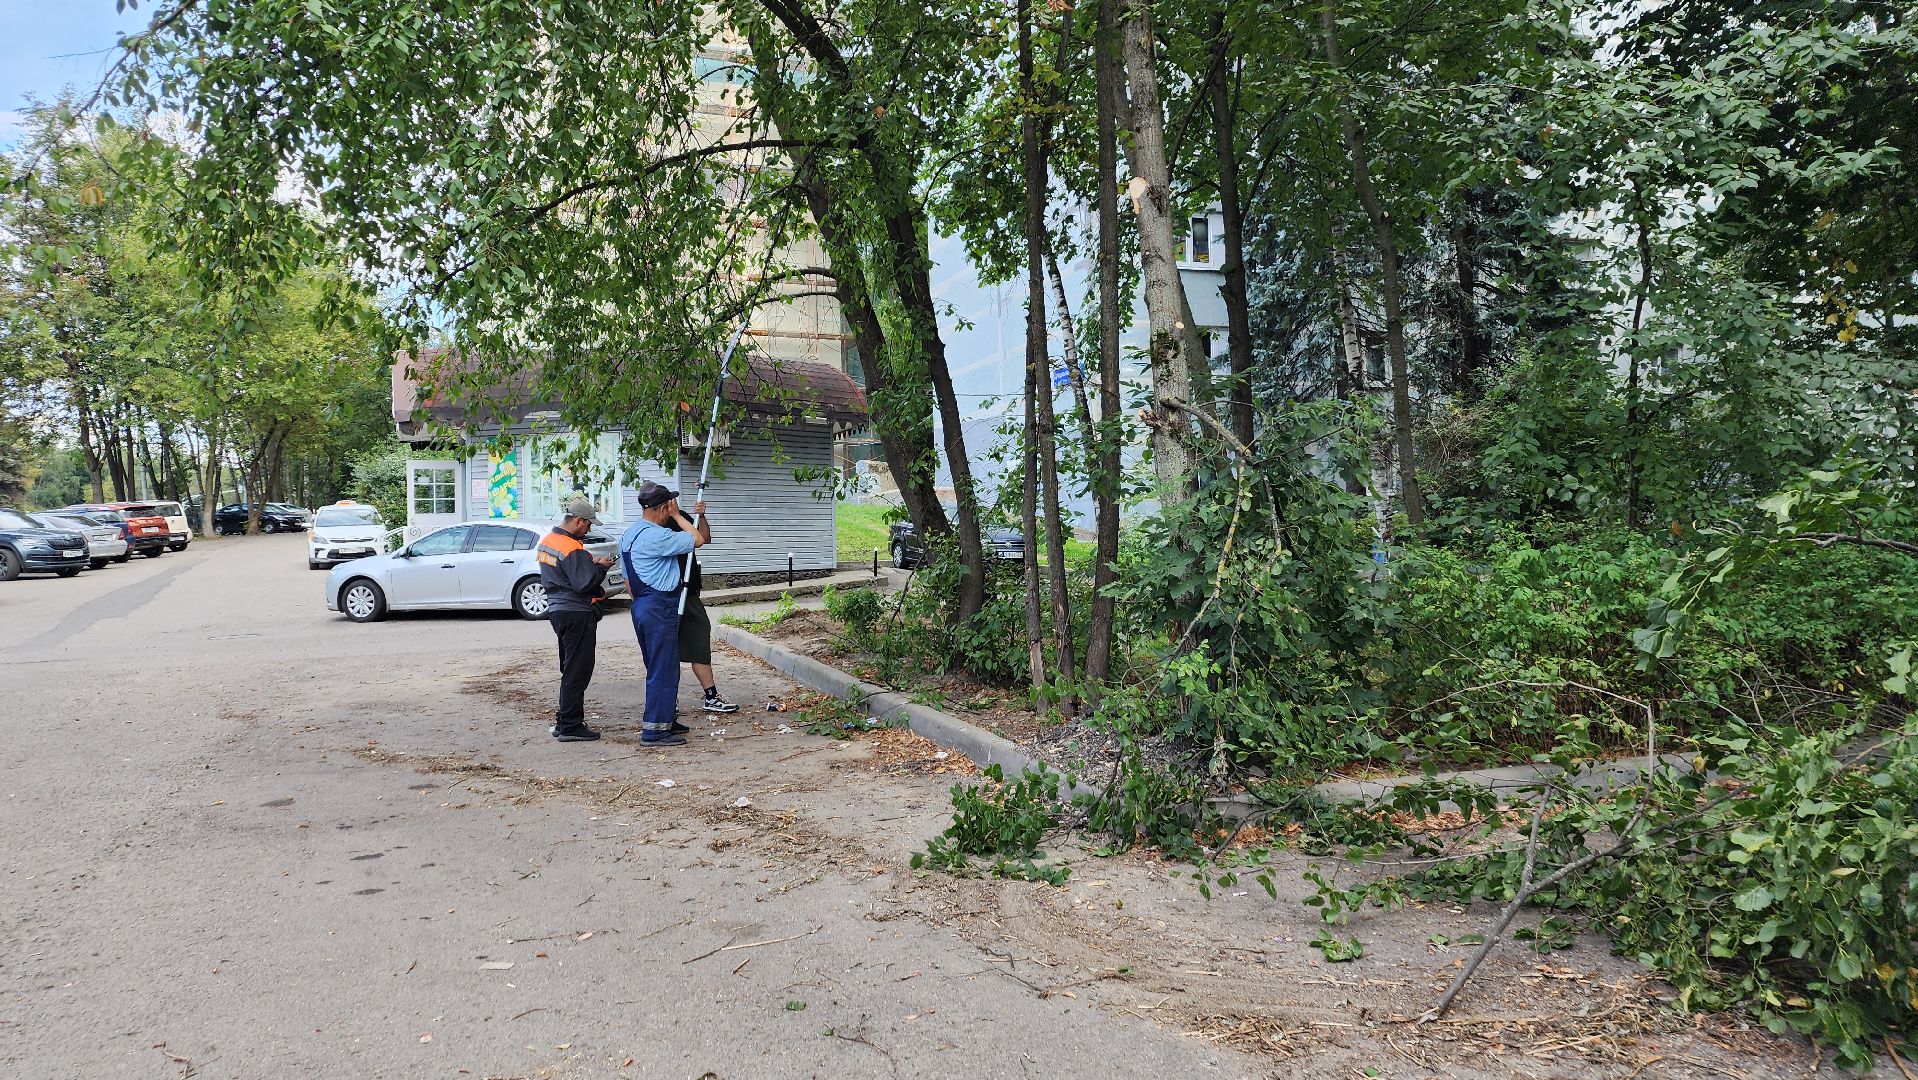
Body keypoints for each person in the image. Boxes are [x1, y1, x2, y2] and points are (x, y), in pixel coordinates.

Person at [618, 481, 709, 746]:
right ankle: (655, 730)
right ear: (662, 508)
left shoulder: (630, 534)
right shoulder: (658, 535)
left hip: (642, 604)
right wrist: (679, 516)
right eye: (670, 505)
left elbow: (626, 579)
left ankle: (666, 718)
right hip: (660, 606)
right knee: (664, 668)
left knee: (657, 665)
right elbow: (698, 539)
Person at [537, 498, 615, 743]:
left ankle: (564, 721)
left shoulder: (547, 541)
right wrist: (601, 569)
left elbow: (565, 571)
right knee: (577, 670)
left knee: (569, 666)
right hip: (576, 611)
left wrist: (587, 562)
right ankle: (571, 725)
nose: (589, 529)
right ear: (578, 521)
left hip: (558, 610)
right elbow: (584, 584)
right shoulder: (572, 548)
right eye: (588, 524)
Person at [665, 510, 738, 715]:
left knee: (700, 635)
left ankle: (711, 695)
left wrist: (702, 516)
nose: (673, 503)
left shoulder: (681, 516)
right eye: (669, 500)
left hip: (690, 591)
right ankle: (668, 699)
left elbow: (703, 538)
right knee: (667, 648)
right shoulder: (655, 528)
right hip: (670, 592)